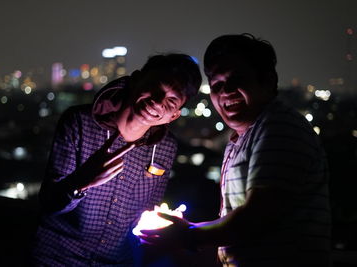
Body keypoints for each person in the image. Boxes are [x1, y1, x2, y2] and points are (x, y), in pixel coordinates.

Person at [140, 34, 331, 267]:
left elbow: (257, 217)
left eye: (237, 79)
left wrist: (188, 235)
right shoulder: (242, 138)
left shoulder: (279, 127)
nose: (226, 91)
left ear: (268, 81)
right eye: (217, 85)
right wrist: (187, 230)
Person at [31, 53, 202, 266]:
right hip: (57, 257)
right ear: (136, 79)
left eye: (171, 101)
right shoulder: (79, 123)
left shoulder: (165, 148)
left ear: (174, 115)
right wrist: (83, 180)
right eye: (155, 87)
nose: (157, 102)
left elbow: (146, 213)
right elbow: (49, 203)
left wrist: (166, 224)